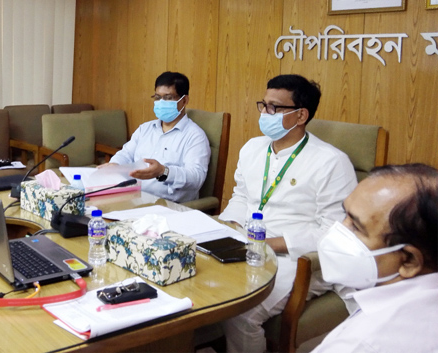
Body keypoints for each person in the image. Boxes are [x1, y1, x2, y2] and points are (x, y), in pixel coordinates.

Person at [218, 74, 357, 353]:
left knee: (241, 313)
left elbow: (335, 231)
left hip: (297, 258)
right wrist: (227, 228)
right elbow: (241, 196)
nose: (264, 113)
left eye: (274, 107)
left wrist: (269, 245)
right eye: (263, 105)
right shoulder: (252, 149)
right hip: (247, 245)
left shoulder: (331, 162)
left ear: (301, 115)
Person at [313, 163, 438, 353]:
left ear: (409, 261)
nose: (336, 231)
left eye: (356, 226)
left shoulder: (360, 344)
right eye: (344, 215)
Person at [100, 71, 210, 203]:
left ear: (184, 100)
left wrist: (163, 171)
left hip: (167, 206)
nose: (161, 102)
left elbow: (196, 178)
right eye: (157, 97)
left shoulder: (195, 136)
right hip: (133, 198)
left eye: (168, 97)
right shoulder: (145, 129)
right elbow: (126, 153)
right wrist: (114, 164)